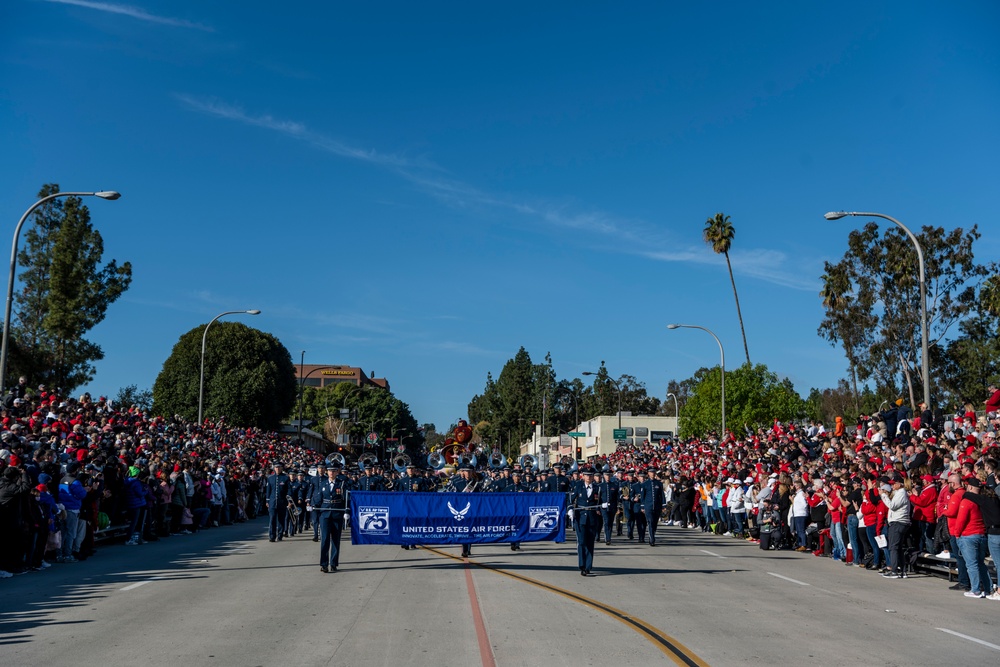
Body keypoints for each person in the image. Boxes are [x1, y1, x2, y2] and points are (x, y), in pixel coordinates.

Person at [311, 462, 350, 573]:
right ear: (327, 472)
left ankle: (333, 563)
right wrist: (313, 506)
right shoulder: (323, 484)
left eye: (333, 471)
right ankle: (324, 564)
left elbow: (347, 499)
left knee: (335, 540)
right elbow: (319, 498)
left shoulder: (342, 484)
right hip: (325, 514)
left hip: (337, 513)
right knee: (324, 540)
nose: (331, 473)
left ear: (337, 472)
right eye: (329, 471)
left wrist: (347, 511)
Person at [569, 466, 606, 576]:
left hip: (592, 518)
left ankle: (588, 566)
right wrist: (570, 509)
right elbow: (570, 499)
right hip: (581, 518)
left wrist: (603, 506)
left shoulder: (597, 488)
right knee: (581, 542)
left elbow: (601, 501)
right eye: (586, 475)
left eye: (590, 475)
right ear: (583, 476)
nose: (588, 477)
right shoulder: (578, 486)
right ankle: (582, 565)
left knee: (590, 543)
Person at [879, 473, 911, 578]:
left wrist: (883, 495)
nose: (892, 486)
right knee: (898, 547)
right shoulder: (899, 493)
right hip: (898, 521)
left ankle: (895, 571)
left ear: (899, 484)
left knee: (893, 547)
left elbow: (892, 506)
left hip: (898, 522)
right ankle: (902, 571)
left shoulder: (901, 493)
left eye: (894, 484)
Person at [263, 461, 291, 542]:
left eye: (279, 467)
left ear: (281, 468)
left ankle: (280, 535)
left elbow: (288, 490)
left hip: (282, 501)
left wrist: (289, 500)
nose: (277, 469)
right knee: (272, 519)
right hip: (272, 501)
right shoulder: (270, 478)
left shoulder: (285, 478)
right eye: (276, 467)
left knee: (281, 519)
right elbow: (268, 490)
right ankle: (272, 536)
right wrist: (267, 500)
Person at [639, 468, 665, 546]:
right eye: (651, 472)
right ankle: (652, 539)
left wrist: (664, 505)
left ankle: (652, 535)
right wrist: (642, 506)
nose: (652, 474)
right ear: (648, 473)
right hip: (648, 506)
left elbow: (662, 495)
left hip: (657, 506)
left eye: (653, 472)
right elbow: (643, 496)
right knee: (650, 522)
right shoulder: (645, 484)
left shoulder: (659, 483)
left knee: (655, 523)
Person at [600, 469, 619, 545]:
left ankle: (609, 536)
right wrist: (598, 508)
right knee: (606, 521)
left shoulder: (614, 485)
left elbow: (617, 497)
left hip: (612, 507)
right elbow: (598, 498)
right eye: (606, 475)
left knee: (610, 522)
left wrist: (618, 507)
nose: (607, 477)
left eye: (609, 475)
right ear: (604, 476)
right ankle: (607, 538)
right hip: (603, 507)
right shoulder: (601, 486)